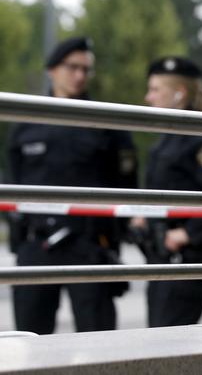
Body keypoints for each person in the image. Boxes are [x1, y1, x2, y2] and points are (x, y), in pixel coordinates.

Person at [6, 36, 138, 334]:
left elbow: (127, 185)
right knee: (28, 342)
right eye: (72, 67)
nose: (80, 75)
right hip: (36, 247)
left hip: (89, 246)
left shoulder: (106, 122)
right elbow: (11, 183)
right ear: (52, 69)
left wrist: (115, 236)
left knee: (98, 344)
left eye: (86, 69)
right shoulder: (26, 120)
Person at [138, 55, 202, 327]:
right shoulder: (169, 138)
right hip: (163, 259)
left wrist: (185, 233)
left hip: (187, 260)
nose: (149, 97)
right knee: (159, 343)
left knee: (166, 347)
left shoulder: (200, 141)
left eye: (156, 89)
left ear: (179, 94)